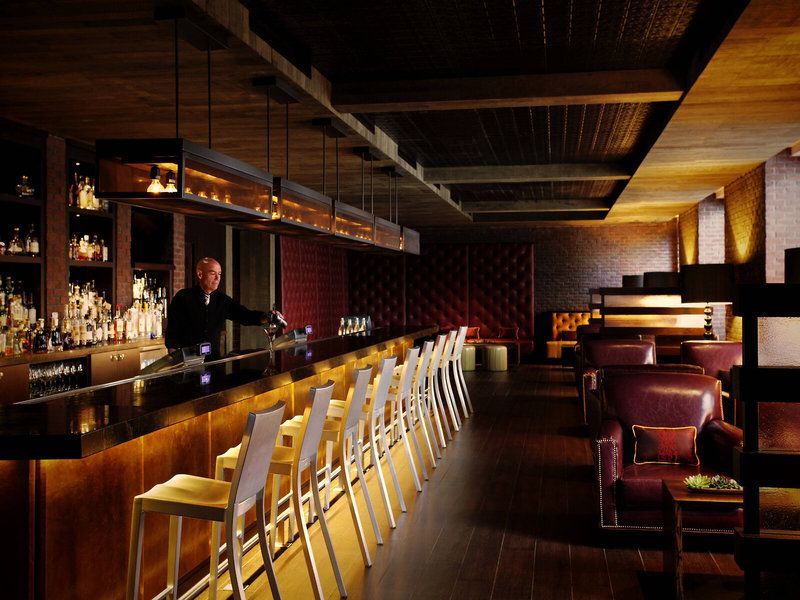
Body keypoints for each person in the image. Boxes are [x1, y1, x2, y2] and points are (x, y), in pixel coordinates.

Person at [165, 257, 271, 359]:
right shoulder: (183, 297)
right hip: (188, 361)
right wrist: (174, 361)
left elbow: (244, 315)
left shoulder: (222, 299)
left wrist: (267, 317)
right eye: (212, 273)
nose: (217, 278)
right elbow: (172, 332)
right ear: (200, 274)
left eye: (219, 274)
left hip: (213, 361)